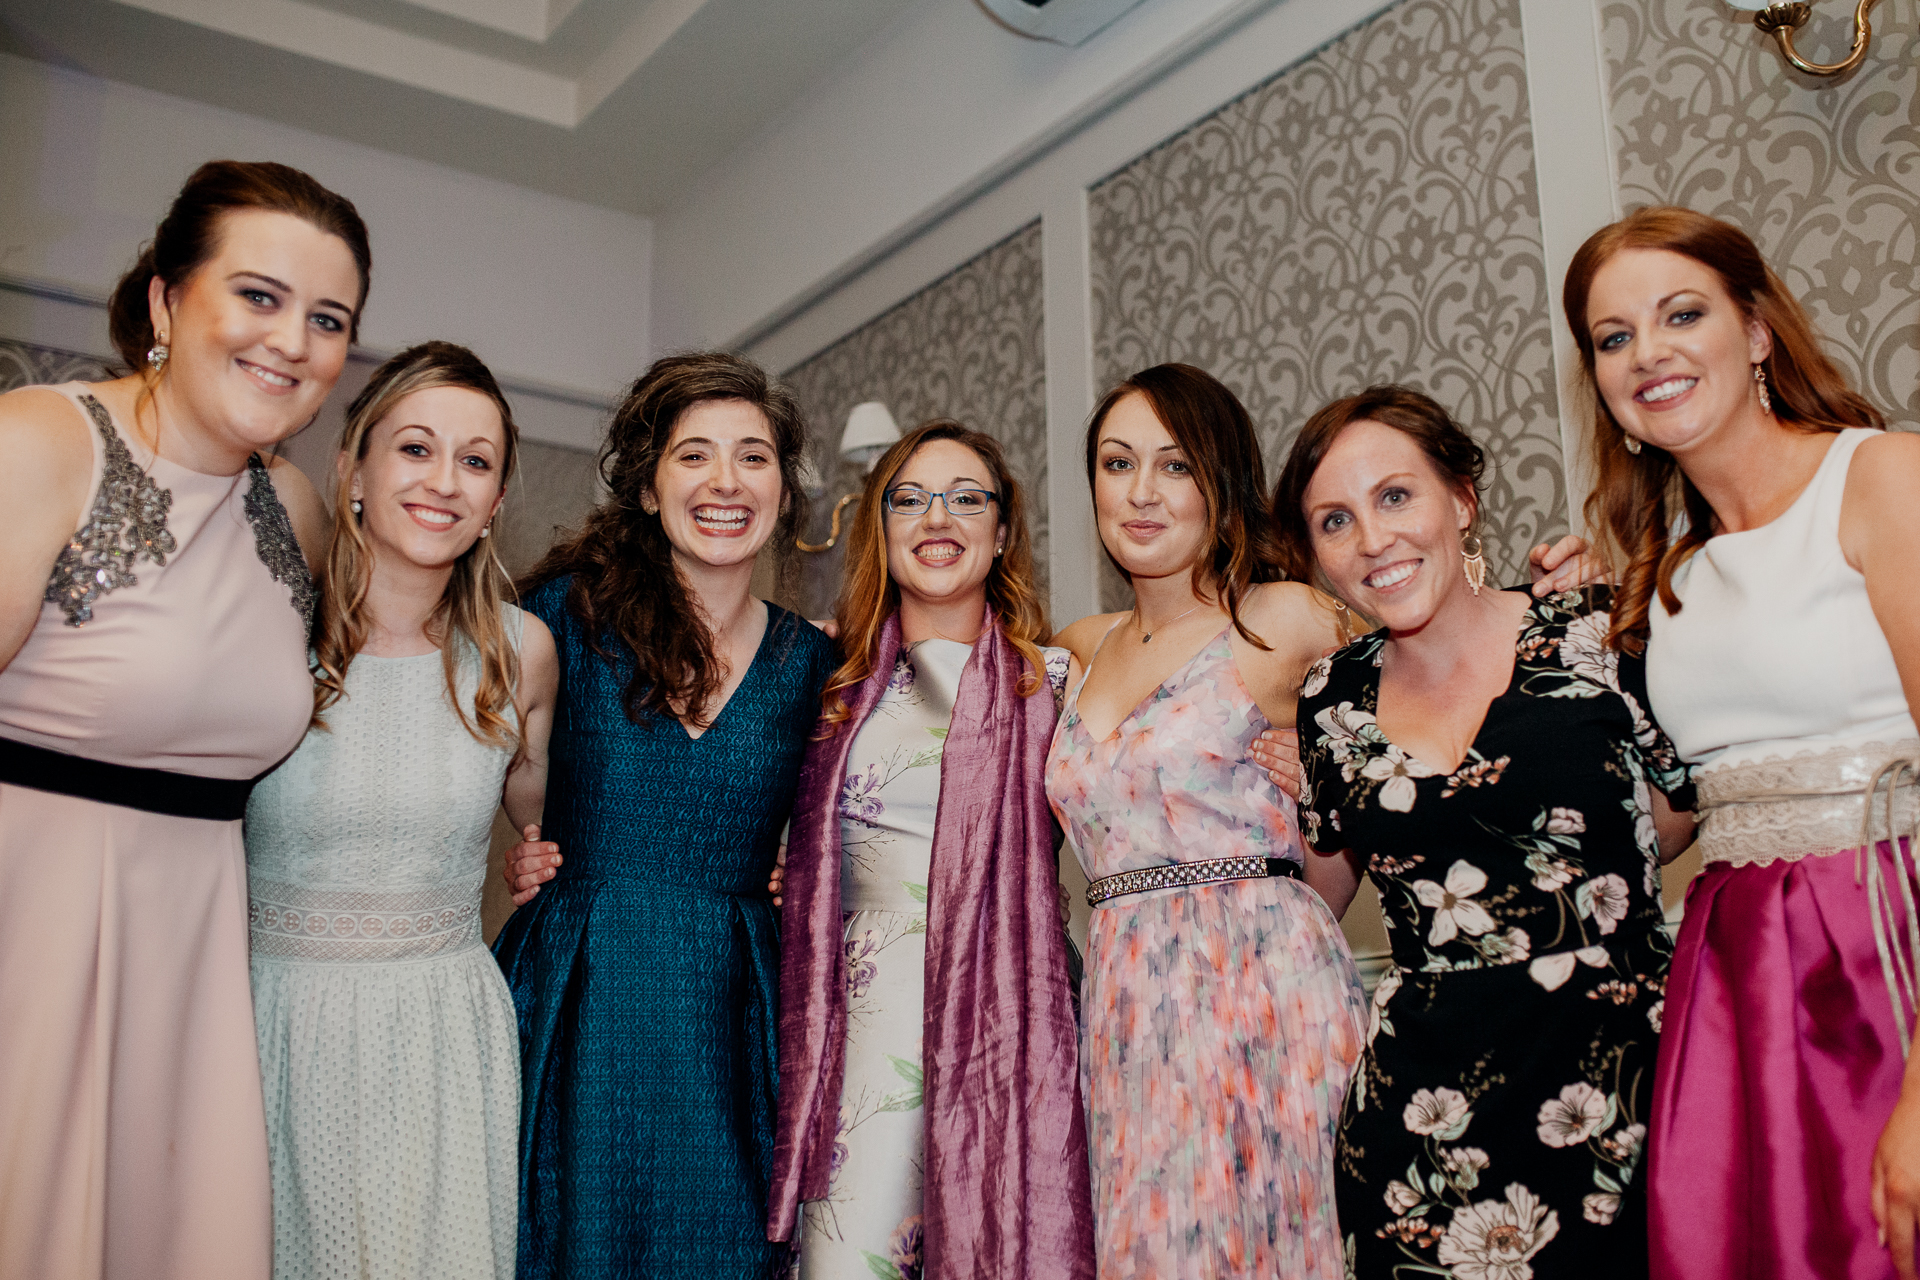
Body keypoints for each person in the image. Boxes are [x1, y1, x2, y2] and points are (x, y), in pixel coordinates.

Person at [0, 160, 367, 1280]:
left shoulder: (293, 507)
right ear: (166, 302)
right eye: (258, 296)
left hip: (198, 968)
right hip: (26, 935)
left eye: (328, 319)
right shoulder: (39, 441)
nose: (292, 342)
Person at [1565, 207, 1920, 1280]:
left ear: (1758, 330)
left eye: (1681, 313)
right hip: (1738, 974)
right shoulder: (1663, 571)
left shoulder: (1881, 479)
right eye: (1613, 336)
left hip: (1885, 940)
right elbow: (1669, 821)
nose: (1648, 353)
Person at [1277, 383, 1698, 1278]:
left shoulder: (1593, 628)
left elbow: (1674, 815)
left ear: (1462, 500)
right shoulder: (1328, 699)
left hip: (1625, 1082)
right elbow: (1316, 891)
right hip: (1425, 1125)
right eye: (1334, 520)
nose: (1373, 539)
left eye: (1396, 496)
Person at [493, 352, 837, 1279]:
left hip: (734, 1021)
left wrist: (801, 867)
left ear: (782, 490)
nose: (726, 482)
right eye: (695, 456)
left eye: (754, 457)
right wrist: (521, 853)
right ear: (648, 487)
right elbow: (476, 778)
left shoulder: (818, 665)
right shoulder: (557, 620)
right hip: (583, 999)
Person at [1042, 363, 1368, 1278]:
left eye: (1174, 466)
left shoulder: (1284, 619)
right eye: (1116, 463)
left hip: (1268, 986)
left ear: (1221, 483)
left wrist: (1328, 793)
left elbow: (1426, 697)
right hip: (1123, 1003)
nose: (1141, 492)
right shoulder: (1078, 646)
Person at [245, 341, 557, 1279]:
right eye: (416, 448)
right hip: (273, 1028)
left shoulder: (521, 650)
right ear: (353, 468)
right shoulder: (266, 627)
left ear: (497, 499)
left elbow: (558, 826)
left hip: (443, 1041)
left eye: (476, 461)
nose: (445, 482)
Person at [768, 420, 1094, 1280]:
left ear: (1002, 531)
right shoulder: (826, 682)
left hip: (1008, 1023)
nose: (936, 518)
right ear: (880, 528)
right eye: (908, 500)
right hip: (859, 1033)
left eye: (964, 498)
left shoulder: (1059, 681)